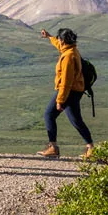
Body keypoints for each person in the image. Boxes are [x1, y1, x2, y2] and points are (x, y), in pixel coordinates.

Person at [37, 28, 93, 159]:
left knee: (49, 115)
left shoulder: (68, 56)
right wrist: (50, 37)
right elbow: (59, 45)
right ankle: (91, 148)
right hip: (76, 91)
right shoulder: (72, 50)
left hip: (69, 91)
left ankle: (53, 147)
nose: (59, 41)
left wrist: (60, 100)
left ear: (63, 40)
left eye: (59, 39)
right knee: (76, 120)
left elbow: (66, 81)